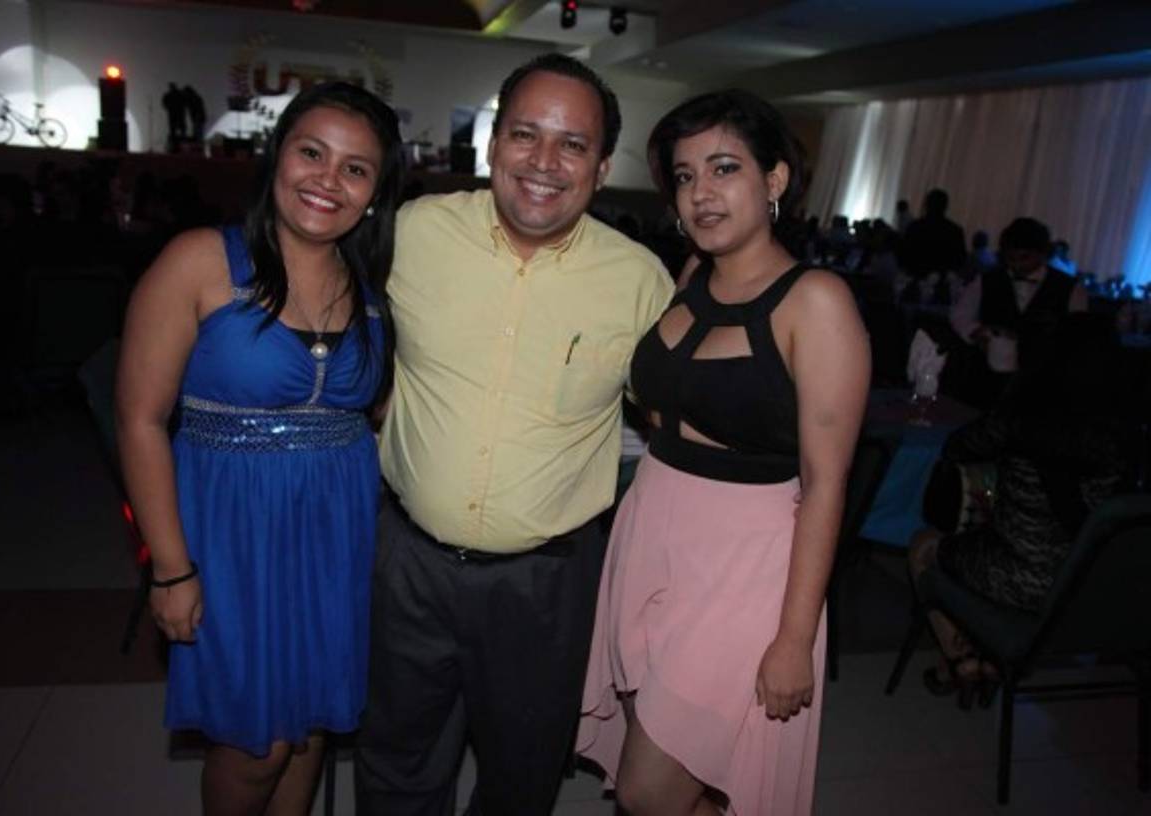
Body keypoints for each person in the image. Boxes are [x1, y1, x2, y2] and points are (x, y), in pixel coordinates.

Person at [354, 53, 674, 815]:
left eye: (573, 144)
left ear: (600, 168)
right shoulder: (412, 235)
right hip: (408, 566)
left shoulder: (639, 282)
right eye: (526, 134)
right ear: (494, 144)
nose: (544, 162)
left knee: (523, 776)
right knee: (396, 761)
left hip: (548, 585)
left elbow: (680, 421)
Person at [577, 90, 870, 815]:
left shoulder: (817, 301)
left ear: (774, 181)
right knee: (680, 764)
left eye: (723, 168)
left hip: (747, 568)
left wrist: (795, 638)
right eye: (683, 176)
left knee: (649, 790)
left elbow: (828, 484)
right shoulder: (690, 280)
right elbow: (663, 406)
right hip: (656, 535)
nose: (700, 193)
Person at [116, 82, 403, 814]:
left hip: (333, 543)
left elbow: (374, 416)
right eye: (312, 152)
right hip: (230, 541)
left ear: (374, 193)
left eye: (355, 168)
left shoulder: (370, 291)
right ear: (277, 158)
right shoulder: (199, 261)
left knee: (305, 732)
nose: (327, 180)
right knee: (255, 745)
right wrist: (171, 572)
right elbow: (141, 421)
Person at [909, 314, 1129, 708]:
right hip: (1093, 590)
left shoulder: (1021, 421)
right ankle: (984, 659)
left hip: (1021, 579)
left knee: (925, 545)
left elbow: (957, 447)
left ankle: (961, 661)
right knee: (984, 553)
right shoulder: (1123, 436)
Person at [949, 217, 1087, 391]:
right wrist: (977, 332)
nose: (1017, 264)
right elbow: (960, 314)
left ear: (1043, 254)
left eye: (1024, 257)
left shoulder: (1071, 288)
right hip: (990, 377)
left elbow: (1079, 336)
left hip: (1044, 380)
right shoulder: (987, 281)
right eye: (1011, 258)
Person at [898, 188, 966, 277]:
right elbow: (960, 262)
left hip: (915, 280)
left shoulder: (914, 227)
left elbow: (904, 257)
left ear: (926, 204)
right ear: (945, 207)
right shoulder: (955, 231)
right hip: (941, 283)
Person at [162, 82, 187, 152]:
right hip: (180, 115)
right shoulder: (180, 95)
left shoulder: (168, 95)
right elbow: (185, 103)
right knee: (182, 131)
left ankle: (174, 146)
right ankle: (182, 146)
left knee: (173, 130)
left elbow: (164, 104)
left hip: (172, 115)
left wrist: (169, 108)